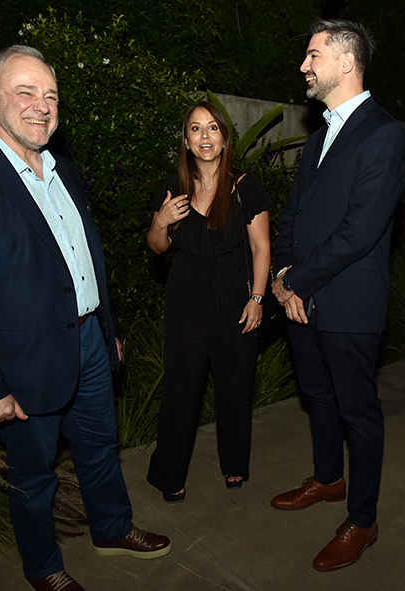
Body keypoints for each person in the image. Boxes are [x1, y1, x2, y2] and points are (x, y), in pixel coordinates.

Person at [0, 45, 171, 591]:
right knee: (33, 477)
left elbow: (85, 261)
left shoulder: (65, 172)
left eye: (51, 95)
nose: (41, 105)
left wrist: (106, 331)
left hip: (90, 344)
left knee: (100, 448)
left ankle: (112, 527)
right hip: (22, 362)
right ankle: (43, 568)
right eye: (26, 91)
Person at [269, 19, 405, 572]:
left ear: (347, 62)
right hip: (302, 297)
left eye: (313, 55)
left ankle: (363, 520)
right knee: (318, 396)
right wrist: (283, 274)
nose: (304, 65)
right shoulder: (318, 136)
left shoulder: (384, 135)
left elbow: (359, 232)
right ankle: (328, 479)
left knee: (358, 412)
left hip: (349, 304)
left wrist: (295, 281)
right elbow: (294, 214)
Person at [145, 100, 272, 503]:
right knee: (181, 390)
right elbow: (157, 246)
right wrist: (161, 221)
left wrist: (257, 297)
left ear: (224, 139)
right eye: (196, 128)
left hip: (236, 298)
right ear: (186, 141)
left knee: (235, 387)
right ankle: (170, 474)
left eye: (212, 128)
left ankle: (234, 463)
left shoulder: (245, 186)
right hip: (185, 298)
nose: (204, 136)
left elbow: (262, 248)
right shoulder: (173, 187)